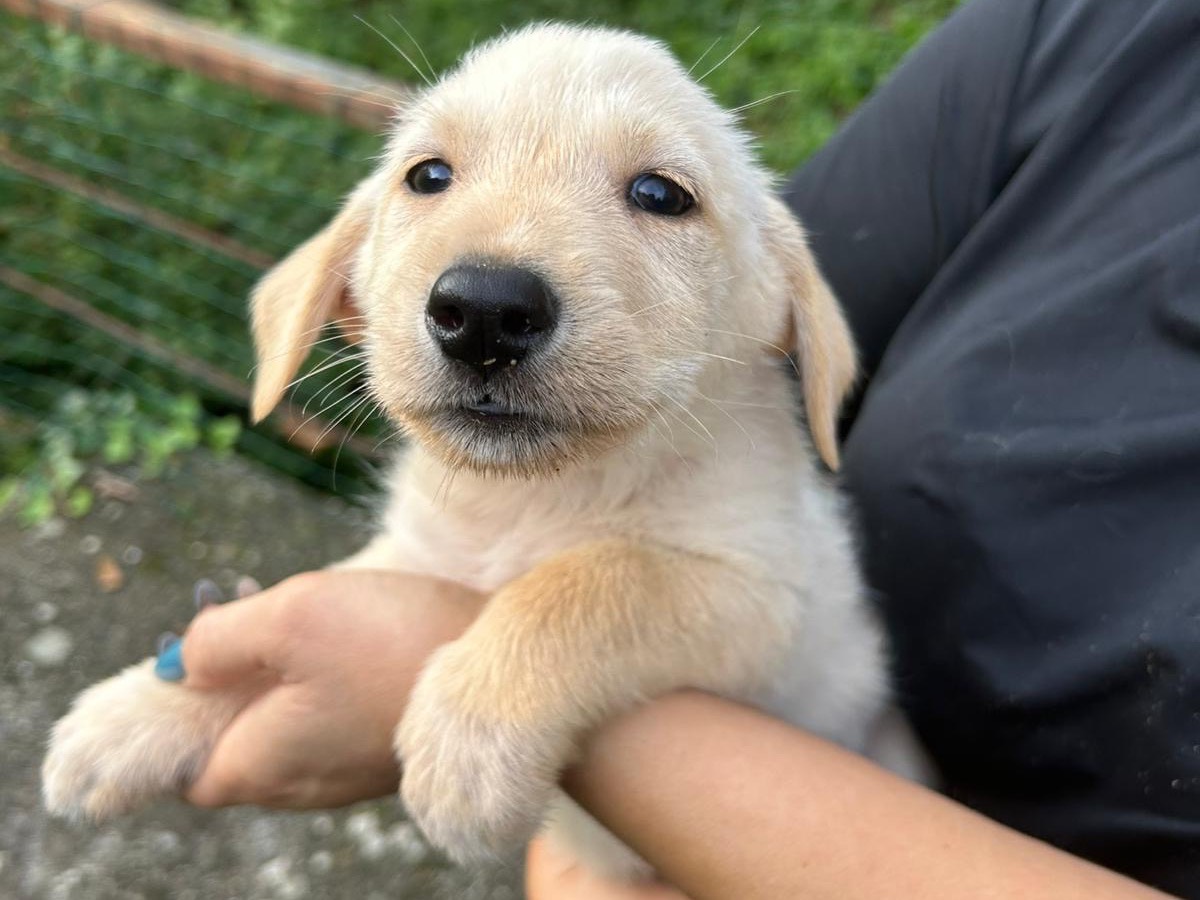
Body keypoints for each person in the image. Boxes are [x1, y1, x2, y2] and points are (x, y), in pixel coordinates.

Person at [167, 0, 1200, 896]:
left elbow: (732, 598)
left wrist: (493, 671)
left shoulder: (749, 385)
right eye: (430, 174)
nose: (491, 280)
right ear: (344, 282)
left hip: (862, 790)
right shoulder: (1102, 34)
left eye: (657, 195)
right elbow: (399, 585)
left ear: (776, 312)